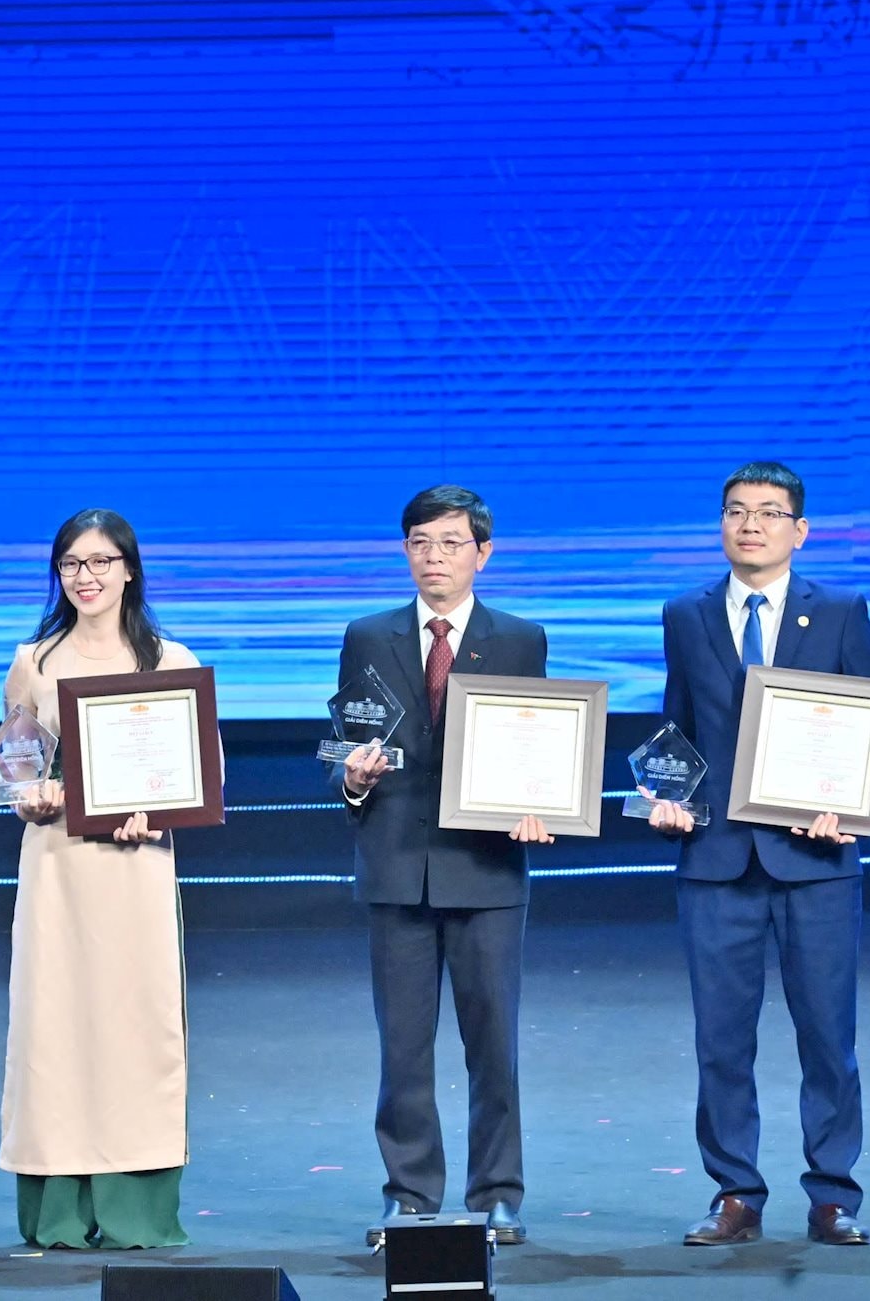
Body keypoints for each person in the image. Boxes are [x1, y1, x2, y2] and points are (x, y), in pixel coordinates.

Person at [649, 461, 870, 1249]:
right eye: (737, 511)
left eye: (769, 512)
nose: (751, 524)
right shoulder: (685, 613)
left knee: (828, 1036)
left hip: (816, 862)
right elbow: (676, 727)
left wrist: (849, 804)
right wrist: (664, 796)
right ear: (721, 523)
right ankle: (735, 1193)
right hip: (715, 860)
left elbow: (869, 725)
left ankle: (833, 1194)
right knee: (720, 1040)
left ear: (799, 530)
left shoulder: (840, 610)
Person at [335, 485, 552, 1249]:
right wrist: (352, 778)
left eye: (452, 542)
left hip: (486, 869)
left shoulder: (520, 638)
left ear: (483, 552)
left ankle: (497, 1192)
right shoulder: (368, 635)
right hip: (396, 865)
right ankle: (410, 1193)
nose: (435, 556)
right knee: (402, 1046)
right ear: (405, 550)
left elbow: (540, 743)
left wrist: (541, 805)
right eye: (421, 542)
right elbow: (347, 738)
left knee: (493, 1045)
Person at [0, 509, 199, 1250]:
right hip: (58, 867)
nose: (86, 577)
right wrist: (27, 795)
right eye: (72, 563)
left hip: (136, 870)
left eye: (101, 561)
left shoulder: (169, 660)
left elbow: (197, 769)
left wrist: (156, 810)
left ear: (129, 569)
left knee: (136, 1025)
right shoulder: (35, 661)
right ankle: (58, 1208)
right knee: (55, 1025)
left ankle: (136, 1207)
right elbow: (15, 764)